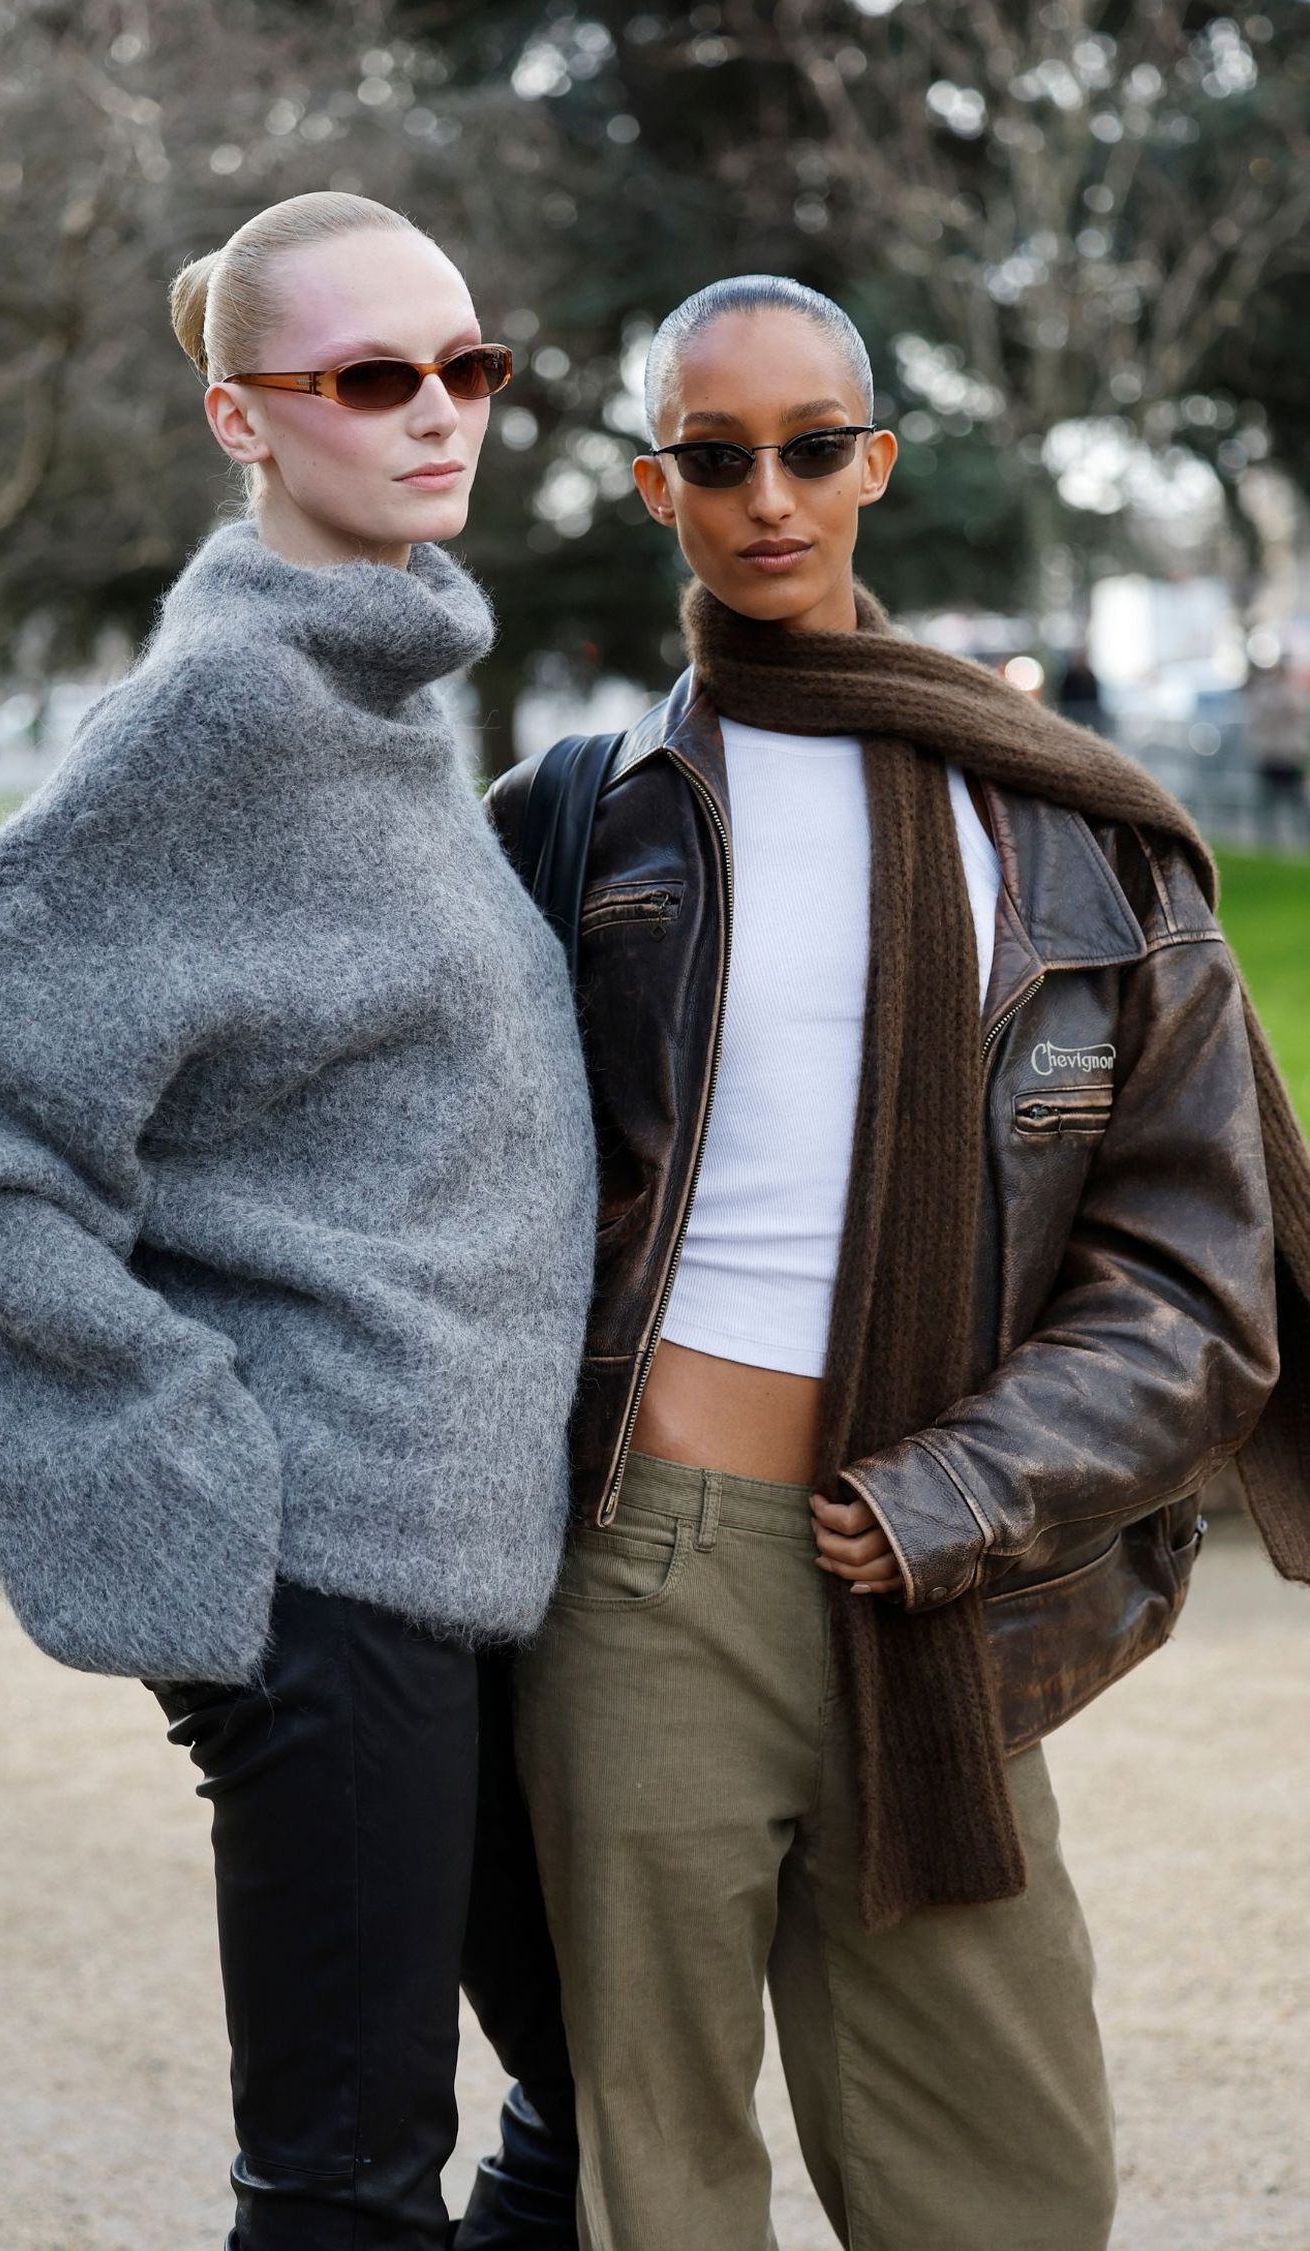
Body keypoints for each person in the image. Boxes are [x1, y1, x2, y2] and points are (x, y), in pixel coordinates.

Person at [483, 275, 1310, 2251]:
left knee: (1012, 2183)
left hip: (939, 1581)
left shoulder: (1065, 833)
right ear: (652, 483)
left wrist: (964, 1488)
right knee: (652, 2180)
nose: (767, 494)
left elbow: (1201, 1262)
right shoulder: (576, 830)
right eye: (713, 456)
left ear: (877, 460)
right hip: (643, 1567)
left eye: (808, 447)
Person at [0, 192, 597, 2251]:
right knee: (345, 2180)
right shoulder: (226, 716)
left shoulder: (377, 705)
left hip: (467, 1548)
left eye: (468, 366)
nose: (439, 413)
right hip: (332, 1559)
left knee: (610, 2095)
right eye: (370, 379)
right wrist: (166, 1434)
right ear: (244, 420)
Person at [1245, 654, 1310, 849]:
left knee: (1295, 802)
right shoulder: (1266, 693)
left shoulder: (1291, 692)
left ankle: (1300, 839)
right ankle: (1267, 841)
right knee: (1269, 803)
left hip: (1289, 756)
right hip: (1272, 756)